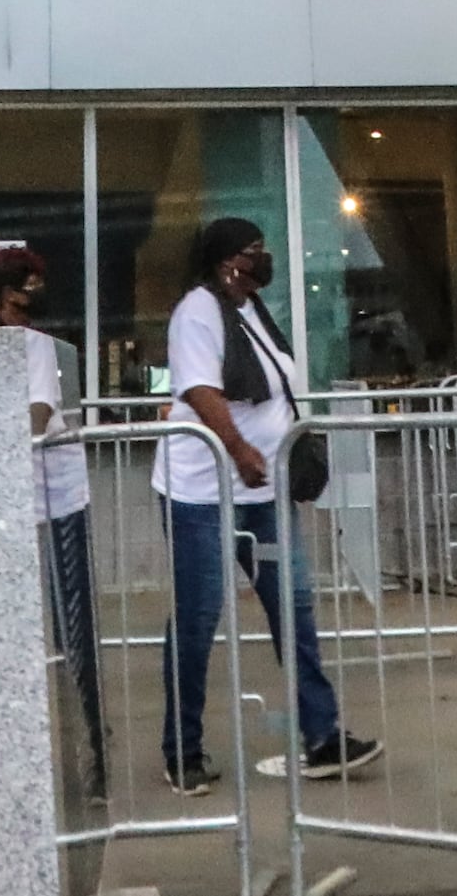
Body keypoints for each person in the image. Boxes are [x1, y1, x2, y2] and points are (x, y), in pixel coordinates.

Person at [152, 217, 380, 792]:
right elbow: (201, 389)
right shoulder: (197, 311)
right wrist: (239, 447)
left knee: (294, 608)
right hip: (203, 493)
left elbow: (274, 390)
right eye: (256, 251)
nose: (265, 258)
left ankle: (323, 736)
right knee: (200, 617)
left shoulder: (252, 311)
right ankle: (183, 751)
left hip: (265, 491)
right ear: (230, 259)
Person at [0, 246, 104, 794]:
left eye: (28, 301)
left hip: (56, 502)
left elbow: (37, 412)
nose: (20, 313)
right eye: (14, 301)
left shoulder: (40, 349)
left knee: (72, 630)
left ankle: (92, 748)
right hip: (8, 505)